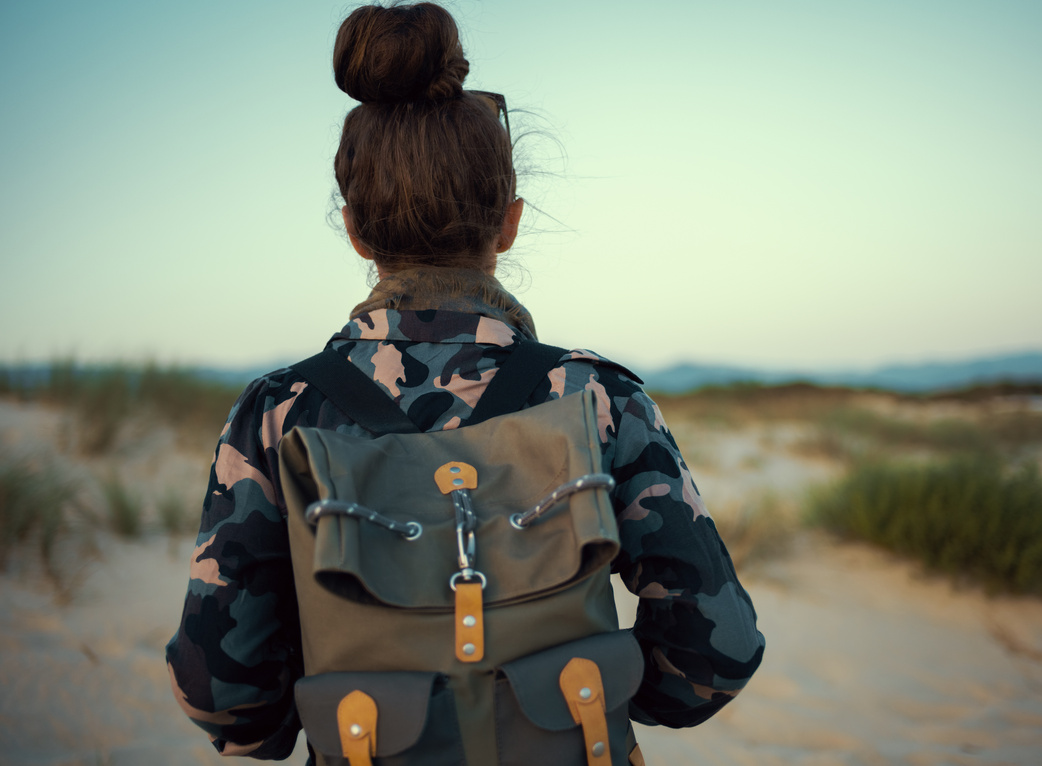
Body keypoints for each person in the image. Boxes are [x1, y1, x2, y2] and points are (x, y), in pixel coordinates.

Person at [166, 2, 764, 761]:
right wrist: (586, 705)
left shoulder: (277, 414)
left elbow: (219, 690)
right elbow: (718, 651)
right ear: (508, 223)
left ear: (354, 230)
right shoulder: (597, 399)